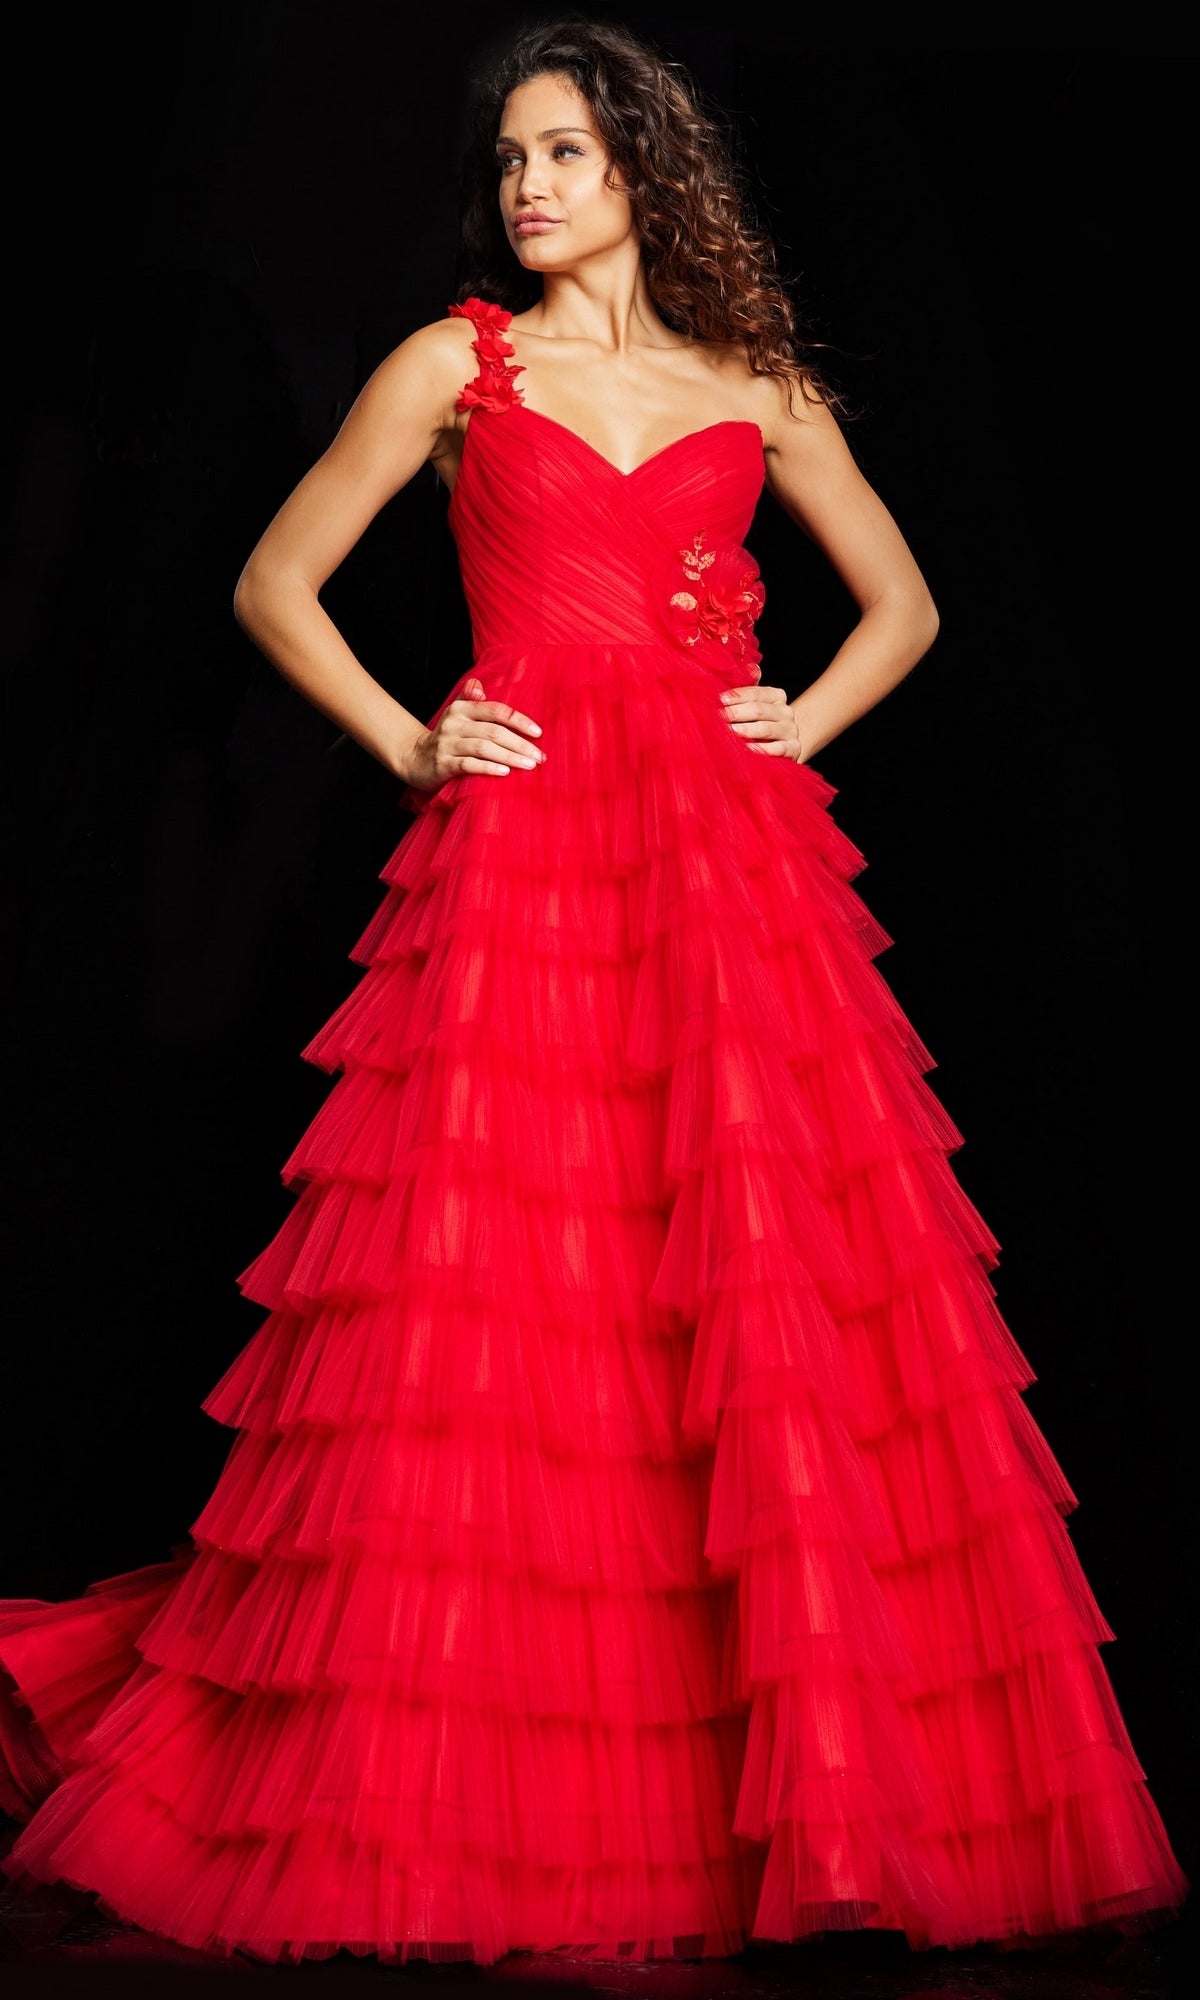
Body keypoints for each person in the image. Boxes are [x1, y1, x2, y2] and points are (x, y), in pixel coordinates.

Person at [0, 13, 1187, 1970]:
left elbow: (908, 602)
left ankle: (773, 1802)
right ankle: (475, 1785)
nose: (528, 187)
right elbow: (275, 580)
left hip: (731, 876)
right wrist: (413, 738)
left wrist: (798, 716)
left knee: (757, 1288)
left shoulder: (754, 384)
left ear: (646, 164)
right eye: (511, 160)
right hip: (528, 864)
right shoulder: (455, 368)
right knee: (510, 1286)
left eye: (564, 152)